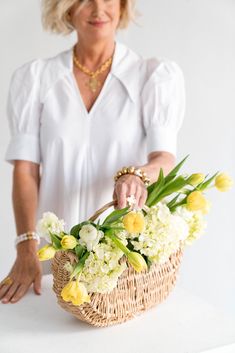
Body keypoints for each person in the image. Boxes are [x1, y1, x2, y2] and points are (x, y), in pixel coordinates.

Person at [0, 0, 185, 304]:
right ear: (67, 8)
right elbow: (25, 170)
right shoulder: (36, 79)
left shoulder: (151, 77)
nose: (99, 10)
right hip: (50, 261)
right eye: (85, 0)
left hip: (121, 264)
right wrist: (26, 247)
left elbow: (163, 160)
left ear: (123, 6)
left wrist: (137, 176)